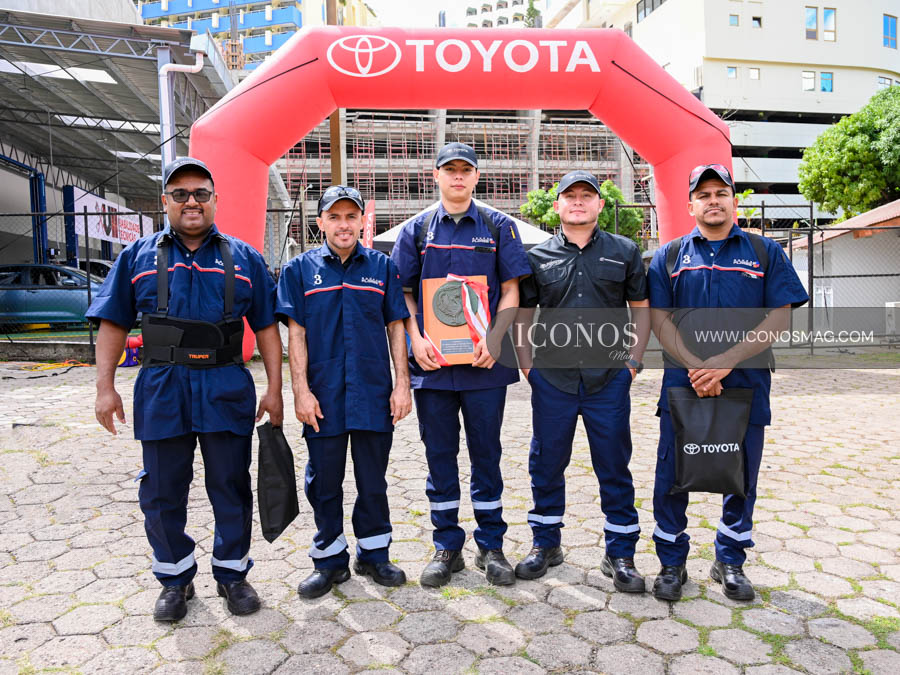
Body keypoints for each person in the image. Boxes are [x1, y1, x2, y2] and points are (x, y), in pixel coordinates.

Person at [89, 157, 284, 621]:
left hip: (225, 388)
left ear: (215, 200)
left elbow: (268, 328)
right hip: (161, 389)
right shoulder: (135, 257)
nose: (190, 201)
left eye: (200, 193)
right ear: (165, 202)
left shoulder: (246, 258)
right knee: (161, 491)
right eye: (180, 194)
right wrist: (104, 388)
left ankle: (232, 575)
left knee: (231, 486)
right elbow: (112, 323)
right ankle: (175, 579)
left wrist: (276, 389)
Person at [647, 164, 808, 601]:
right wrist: (698, 365)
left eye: (721, 192)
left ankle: (730, 559)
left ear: (733, 201)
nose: (713, 200)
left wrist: (724, 363)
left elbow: (779, 315)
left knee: (741, 474)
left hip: (746, 384)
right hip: (684, 385)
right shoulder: (669, 255)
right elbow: (658, 319)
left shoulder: (764, 252)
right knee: (672, 474)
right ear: (690, 205)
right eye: (704, 194)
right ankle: (672, 561)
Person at [391, 142, 532, 587]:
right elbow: (404, 293)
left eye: (465, 170)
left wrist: (497, 337)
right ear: (435, 176)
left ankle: (491, 545)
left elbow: (511, 290)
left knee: (487, 455)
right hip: (433, 367)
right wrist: (415, 338)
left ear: (476, 177)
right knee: (439, 456)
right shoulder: (414, 231)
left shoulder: (498, 226)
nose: (457, 177)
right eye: (449, 170)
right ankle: (446, 545)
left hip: (484, 364)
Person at [516, 171, 650, 589]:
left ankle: (621, 553)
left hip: (608, 380)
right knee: (547, 463)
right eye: (569, 196)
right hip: (552, 380)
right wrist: (527, 367)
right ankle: (545, 543)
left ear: (599, 205)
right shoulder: (536, 257)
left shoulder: (625, 251)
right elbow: (522, 316)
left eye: (586, 196)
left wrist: (632, 363)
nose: (578, 202)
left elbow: (641, 309)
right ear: (556, 206)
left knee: (613, 464)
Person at [277, 185, 412, 599]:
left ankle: (374, 553)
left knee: (373, 480)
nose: (344, 224)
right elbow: (295, 335)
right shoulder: (298, 271)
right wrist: (300, 391)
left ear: (361, 222)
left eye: (351, 216)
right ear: (320, 223)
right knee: (325, 482)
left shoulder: (382, 268)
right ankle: (330, 561)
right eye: (334, 217)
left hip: (373, 392)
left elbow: (396, 328)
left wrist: (402, 385)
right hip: (324, 394)